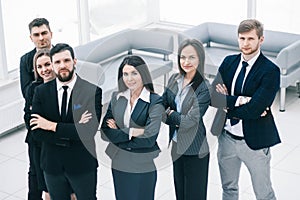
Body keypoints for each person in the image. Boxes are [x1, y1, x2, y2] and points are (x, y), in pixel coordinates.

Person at [210, 19, 281, 200]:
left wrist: (227, 105)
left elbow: (255, 110)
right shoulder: (229, 62)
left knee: (263, 193)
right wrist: (241, 101)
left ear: (261, 40)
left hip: (255, 143)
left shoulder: (270, 70)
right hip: (226, 138)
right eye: (242, 38)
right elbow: (212, 96)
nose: (246, 43)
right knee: (229, 189)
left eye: (251, 39)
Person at [30, 43, 102, 200]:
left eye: (66, 61)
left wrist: (51, 126)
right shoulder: (40, 92)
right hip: (52, 165)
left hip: (82, 165)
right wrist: (74, 129)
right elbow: (36, 132)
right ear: (53, 65)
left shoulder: (92, 91)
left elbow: (88, 131)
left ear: (74, 61)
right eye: (57, 62)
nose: (62, 66)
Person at [101, 55, 164, 200]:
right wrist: (132, 132)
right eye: (125, 74)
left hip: (142, 164)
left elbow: (149, 139)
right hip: (119, 162)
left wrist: (118, 132)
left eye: (134, 73)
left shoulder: (155, 101)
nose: (130, 79)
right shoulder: (117, 97)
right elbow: (105, 132)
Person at [162, 39, 211, 200]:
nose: (186, 62)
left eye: (191, 57)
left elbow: (190, 121)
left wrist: (170, 114)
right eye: (183, 57)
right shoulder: (174, 79)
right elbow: (160, 107)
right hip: (176, 146)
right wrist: (170, 115)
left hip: (195, 150)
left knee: (194, 196)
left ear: (200, 59)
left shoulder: (204, 87)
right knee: (180, 194)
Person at [20, 17, 53, 200]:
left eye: (44, 33)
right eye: (37, 35)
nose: (41, 38)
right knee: (35, 171)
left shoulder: (60, 54)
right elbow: (27, 94)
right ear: (31, 38)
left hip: (56, 127)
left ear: (51, 33)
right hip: (36, 127)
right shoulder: (25, 60)